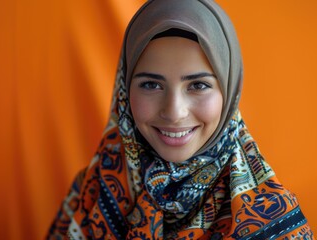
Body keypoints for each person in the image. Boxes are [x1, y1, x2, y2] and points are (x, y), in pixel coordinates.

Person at [48, 0, 314, 239]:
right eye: (151, 85)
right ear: (125, 90)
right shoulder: (90, 191)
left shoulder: (273, 219)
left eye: (198, 85)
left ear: (229, 92)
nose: (174, 112)